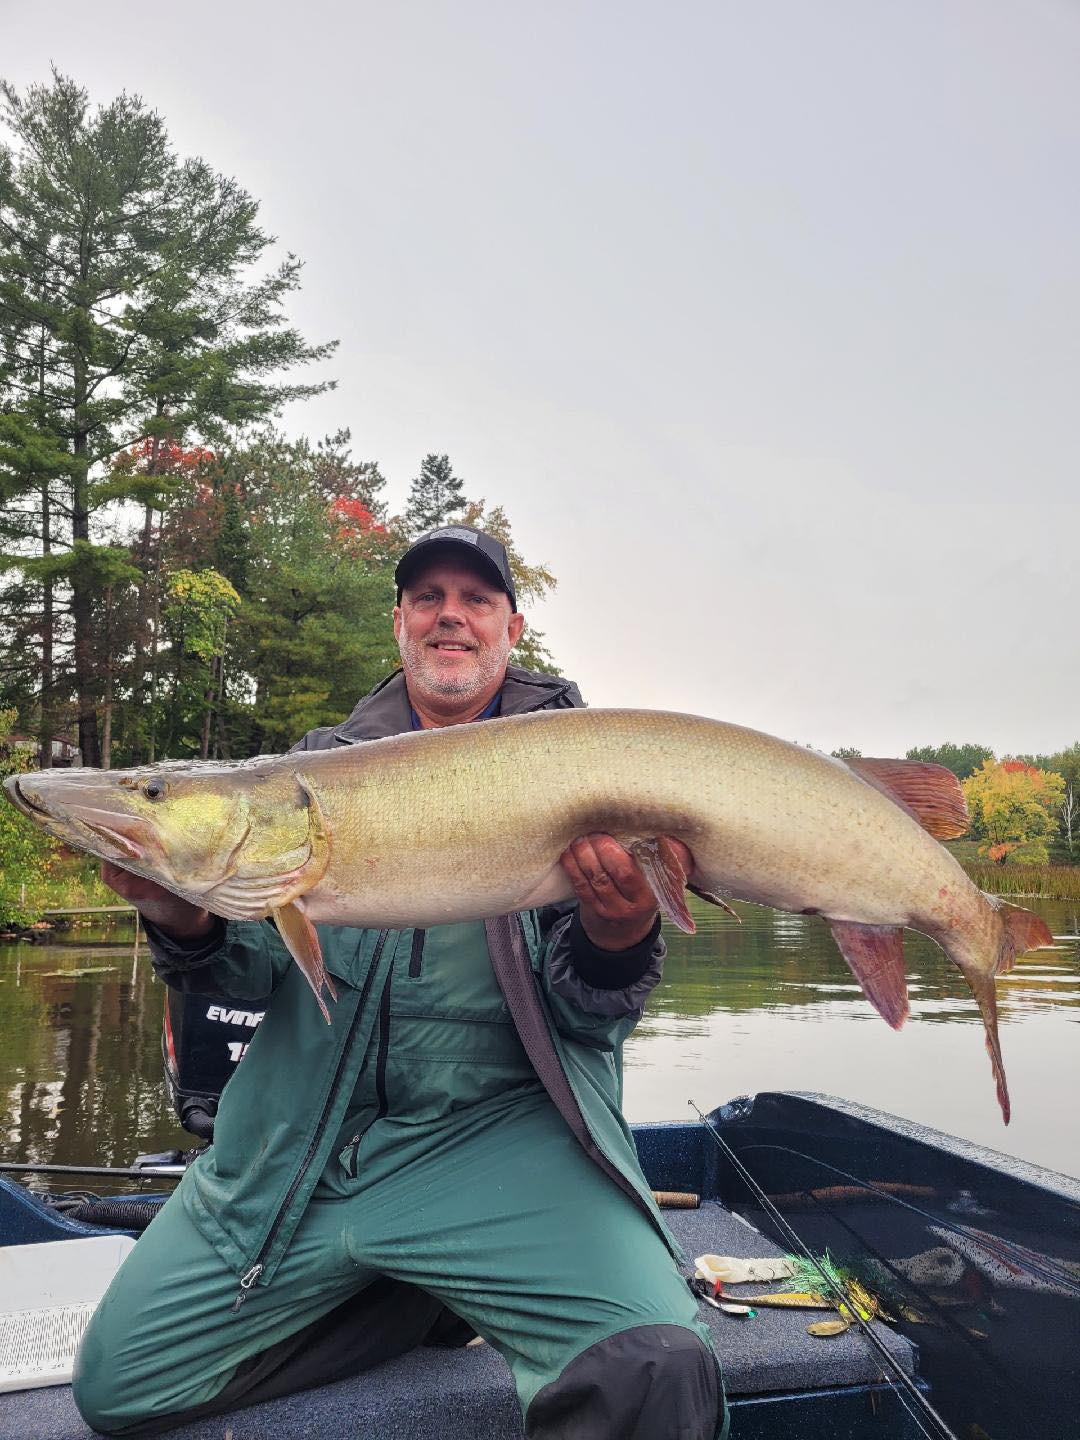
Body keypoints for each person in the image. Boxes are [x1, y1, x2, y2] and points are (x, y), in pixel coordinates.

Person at [74, 525, 727, 1440]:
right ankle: (416, 1297)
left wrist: (618, 936)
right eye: (428, 599)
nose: (449, 616)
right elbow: (254, 976)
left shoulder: (584, 772)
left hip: (499, 1140)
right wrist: (182, 915)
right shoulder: (307, 771)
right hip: (303, 1150)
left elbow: (589, 1020)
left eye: (475, 600)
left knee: (656, 1367)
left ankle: (437, 1274)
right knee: (118, 1385)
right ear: (400, 626)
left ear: (511, 627)